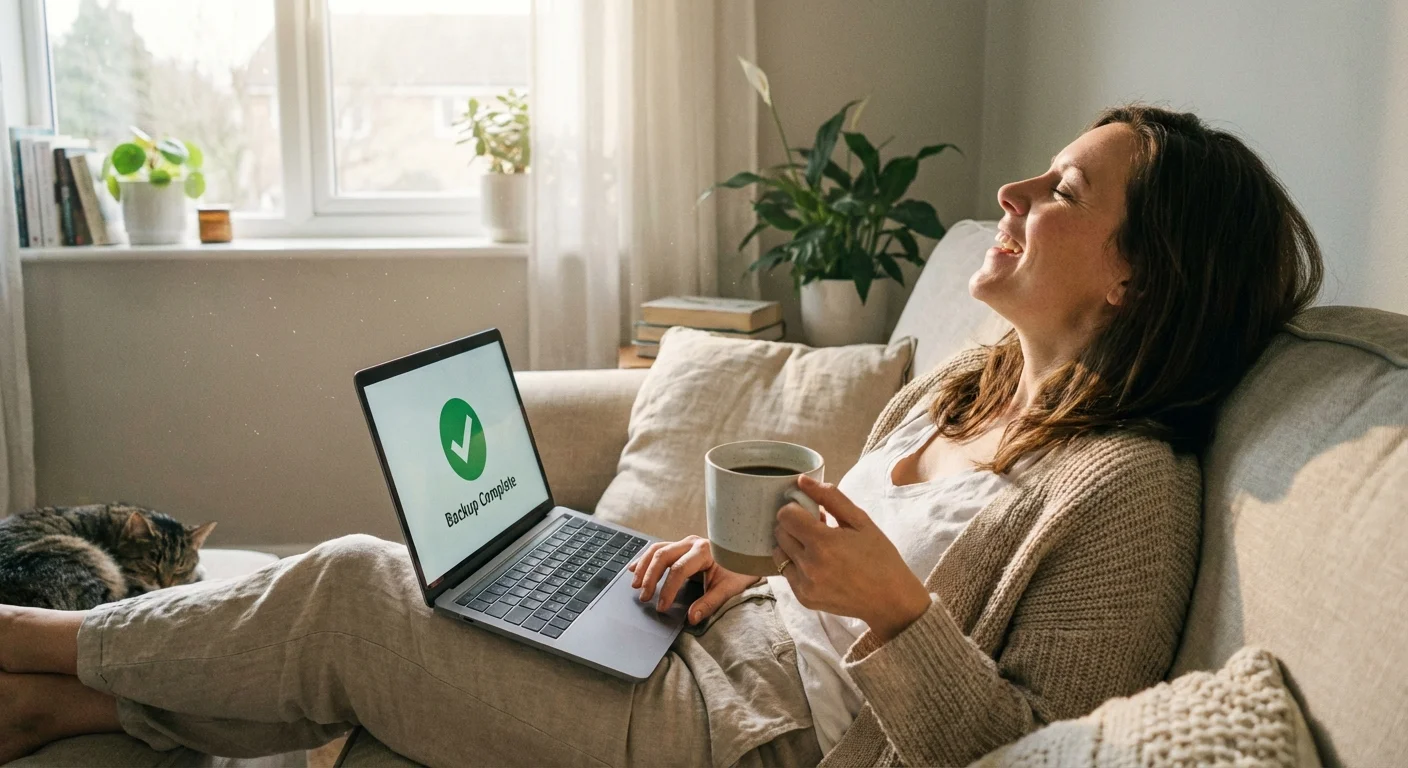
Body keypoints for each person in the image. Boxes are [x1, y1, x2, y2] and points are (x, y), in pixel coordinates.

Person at [0, 104, 1322, 767]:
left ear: (1134, 276)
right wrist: (728, 564)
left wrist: (898, 619)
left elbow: (1031, 743)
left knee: (356, 587)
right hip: (706, 648)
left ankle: (37, 645)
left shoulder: (1127, 489)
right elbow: (818, 566)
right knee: (422, 588)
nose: (1013, 193)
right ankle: (68, 696)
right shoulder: (961, 392)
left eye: (1065, 191)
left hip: (755, 740)